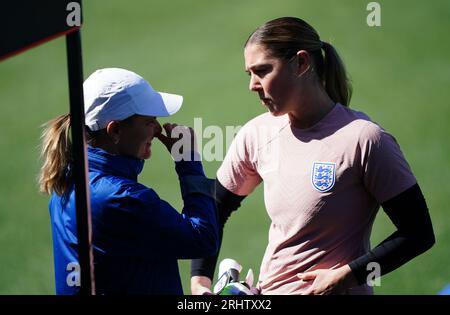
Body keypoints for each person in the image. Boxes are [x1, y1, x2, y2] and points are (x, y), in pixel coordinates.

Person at [190, 17, 435, 295]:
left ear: (301, 64)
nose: (252, 85)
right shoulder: (257, 133)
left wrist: (349, 275)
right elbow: (214, 208)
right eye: (249, 73)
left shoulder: (364, 139)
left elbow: (418, 233)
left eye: (262, 71)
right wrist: (200, 282)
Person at [39, 68, 219, 294]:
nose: (157, 129)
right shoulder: (122, 198)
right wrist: (189, 160)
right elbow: (203, 239)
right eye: (149, 121)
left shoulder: (67, 181)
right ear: (115, 130)